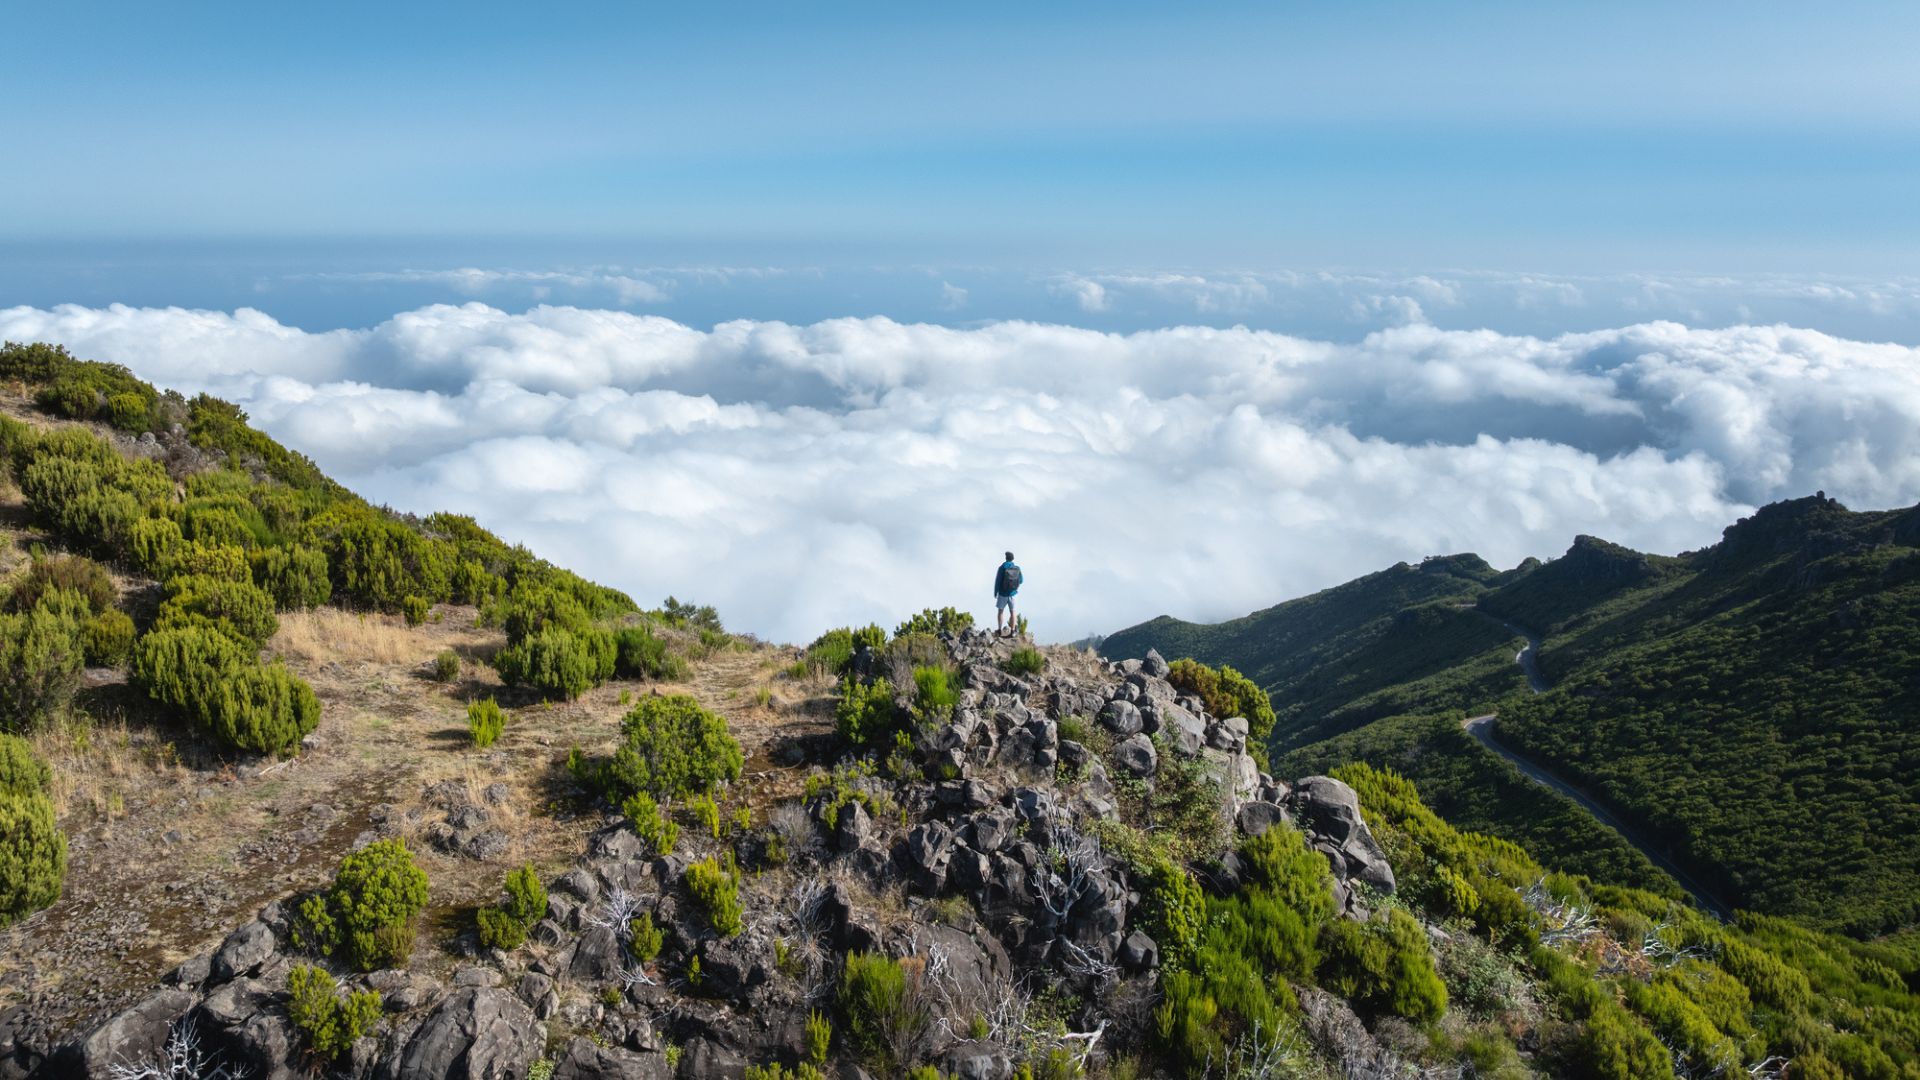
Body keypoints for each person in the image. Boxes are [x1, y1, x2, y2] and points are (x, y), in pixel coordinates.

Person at [993, 551, 1023, 636]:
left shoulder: (1002, 568)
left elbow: (998, 581)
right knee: (1013, 612)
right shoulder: (1017, 568)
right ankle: (1013, 631)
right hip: (1013, 594)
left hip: (1003, 594)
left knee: (1000, 611)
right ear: (1012, 559)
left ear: (1006, 558)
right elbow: (1021, 580)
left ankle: (999, 630)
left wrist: (995, 592)